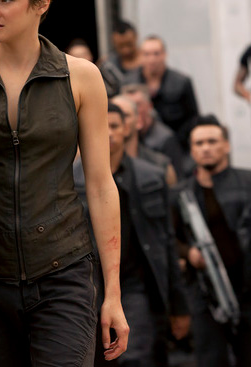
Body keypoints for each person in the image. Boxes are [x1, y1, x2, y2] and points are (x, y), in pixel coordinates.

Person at [0, 0, 128, 366]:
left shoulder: (81, 77)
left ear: (41, 3)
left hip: (64, 270)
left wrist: (113, 293)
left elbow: (101, 185)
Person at [74, 103, 190, 366]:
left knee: (137, 357)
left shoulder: (151, 177)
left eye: (114, 125)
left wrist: (179, 305)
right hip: (87, 286)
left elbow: (166, 243)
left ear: (127, 128)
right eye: (101, 126)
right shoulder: (71, 179)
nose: (108, 132)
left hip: (137, 285)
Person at [172, 115, 251, 367]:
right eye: (199, 143)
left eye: (212, 141)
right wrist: (189, 253)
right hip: (205, 291)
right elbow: (168, 239)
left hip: (246, 286)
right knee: (211, 358)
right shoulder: (182, 194)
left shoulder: (247, 182)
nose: (206, 148)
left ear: (226, 145)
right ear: (191, 150)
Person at [129, 36, 199, 150]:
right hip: (139, 146)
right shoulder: (129, 83)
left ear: (164, 54)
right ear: (140, 55)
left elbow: (193, 118)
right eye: (146, 54)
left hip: (176, 145)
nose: (152, 59)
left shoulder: (181, 82)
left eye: (156, 53)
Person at [121, 84, 188, 178]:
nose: (134, 110)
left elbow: (178, 177)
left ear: (150, 106)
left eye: (138, 105)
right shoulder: (120, 136)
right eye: (129, 106)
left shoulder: (165, 139)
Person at [110, 94, 177, 187]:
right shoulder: (98, 167)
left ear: (139, 121)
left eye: (124, 115)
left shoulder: (160, 164)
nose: (119, 121)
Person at [98, 20, 141, 97]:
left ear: (136, 37)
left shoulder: (149, 61)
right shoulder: (108, 67)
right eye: (121, 46)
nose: (126, 50)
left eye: (129, 44)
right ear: (113, 42)